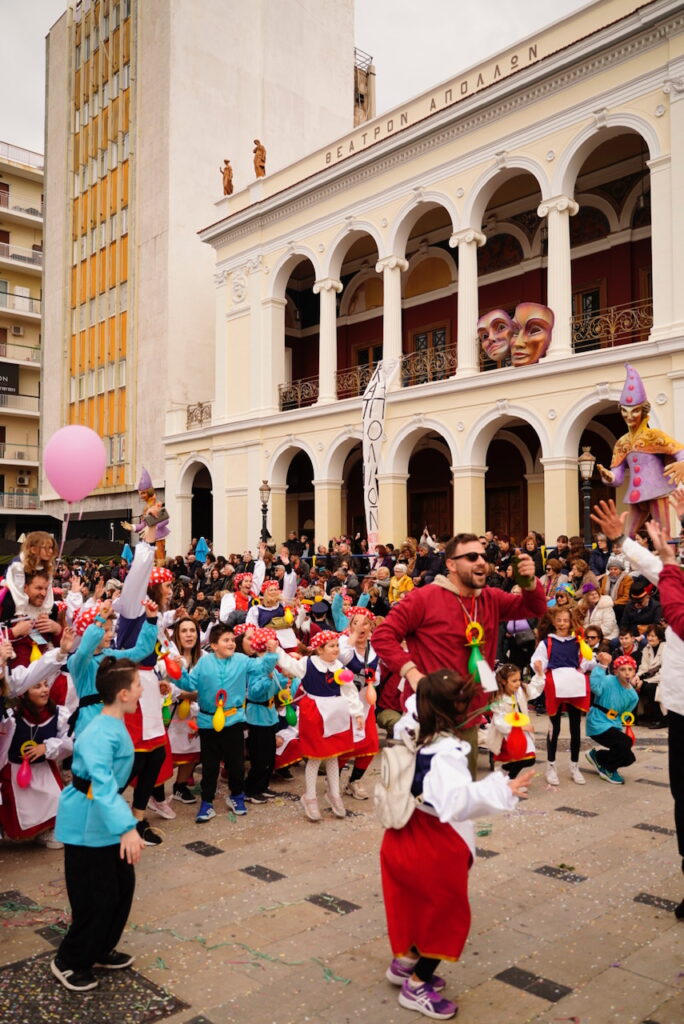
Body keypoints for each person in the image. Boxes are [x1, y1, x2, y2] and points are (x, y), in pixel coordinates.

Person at [380, 668, 533, 1020]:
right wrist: (501, 790)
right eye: (463, 702)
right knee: (446, 914)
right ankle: (417, 985)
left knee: (416, 903)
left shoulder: (410, 728)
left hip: (403, 832)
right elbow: (456, 801)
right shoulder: (444, 752)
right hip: (434, 842)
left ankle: (405, 963)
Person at [372, 534, 547, 779]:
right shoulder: (423, 597)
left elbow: (535, 608)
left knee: (462, 797)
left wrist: (530, 584)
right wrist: (412, 673)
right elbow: (382, 636)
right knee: (429, 800)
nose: (481, 562)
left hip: (470, 716)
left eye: (483, 557)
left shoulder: (491, 598)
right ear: (451, 564)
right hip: (430, 716)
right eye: (472, 557)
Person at [591, 496, 684, 919]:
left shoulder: (676, 586)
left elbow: (674, 600)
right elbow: (658, 569)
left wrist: (668, 562)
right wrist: (621, 540)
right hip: (681, 709)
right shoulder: (676, 576)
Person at [52, 657, 145, 992]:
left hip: (106, 815)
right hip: (86, 821)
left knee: (121, 889)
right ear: (122, 694)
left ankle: (101, 948)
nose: (142, 689)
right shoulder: (98, 733)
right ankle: (69, 959)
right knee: (95, 897)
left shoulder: (115, 723)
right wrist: (127, 827)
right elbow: (102, 784)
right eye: (137, 685)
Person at [178, 623, 278, 823]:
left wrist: (271, 653)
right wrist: (176, 672)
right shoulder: (204, 664)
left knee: (236, 763)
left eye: (232, 640)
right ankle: (207, 802)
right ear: (213, 645)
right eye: (226, 640)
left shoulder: (242, 660)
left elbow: (262, 667)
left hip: (234, 720)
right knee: (210, 766)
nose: (231, 643)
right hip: (208, 722)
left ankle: (237, 795)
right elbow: (189, 684)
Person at [276, 631, 364, 821]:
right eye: (331, 646)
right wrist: (275, 648)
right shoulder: (307, 664)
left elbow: (349, 690)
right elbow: (288, 663)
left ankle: (334, 794)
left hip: (336, 713)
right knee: (315, 757)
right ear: (319, 649)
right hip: (314, 713)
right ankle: (310, 796)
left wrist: (357, 712)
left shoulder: (339, 666)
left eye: (337, 645)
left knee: (333, 755)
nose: (336, 649)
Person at [531, 606, 594, 786]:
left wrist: (594, 665)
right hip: (555, 685)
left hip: (574, 685)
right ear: (553, 621)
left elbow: (587, 661)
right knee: (554, 727)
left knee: (576, 727)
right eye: (559, 620)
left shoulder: (577, 642)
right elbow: (540, 660)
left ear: (570, 621)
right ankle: (551, 766)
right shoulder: (547, 642)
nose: (562, 623)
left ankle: (575, 766)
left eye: (565, 620)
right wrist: (537, 666)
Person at [585, 652, 639, 784]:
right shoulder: (608, 680)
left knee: (629, 757)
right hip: (597, 721)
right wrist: (602, 666)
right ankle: (607, 769)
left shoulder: (633, 696)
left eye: (630, 669)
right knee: (624, 743)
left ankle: (598, 756)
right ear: (615, 671)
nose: (627, 673)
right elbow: (595, 688)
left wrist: (621, 727)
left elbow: (624, 715)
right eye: (622, 669)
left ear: (634, 672)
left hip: (613, 724)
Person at [487, 663, 542, 777]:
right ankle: (510, 781)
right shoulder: (499, 699)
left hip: (521, 732)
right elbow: (499, 721)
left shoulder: (520, 690)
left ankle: (505, 770)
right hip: (507, 734)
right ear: (503, 681)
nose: (518, 683)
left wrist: (540, 673)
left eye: (519, 679)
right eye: (514, 681)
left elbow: (534, 688)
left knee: (529, 759)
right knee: (523, 758)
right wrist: (520, 727)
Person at [4, 531, 57, 619]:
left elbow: (48, 588)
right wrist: (20, 612)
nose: (50, 551)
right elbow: (17, 589)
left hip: (31, 593)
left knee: (54, 609)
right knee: (9, 604)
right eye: (46, 548)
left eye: (51, 548)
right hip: (12, 591)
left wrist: (46, 611)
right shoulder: (18, 565)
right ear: (33, 549)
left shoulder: (47, 565)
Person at [636, 625, 666, 728]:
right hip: (650, 678)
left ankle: (661, 719)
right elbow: (643, 667)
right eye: (648, 635)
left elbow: (664, 671)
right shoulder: (647, 648)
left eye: (653, 636)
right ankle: (643, 715)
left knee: (649, 687)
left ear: (660, 637)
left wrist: (644, 681)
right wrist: (637, 677)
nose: (650, 638)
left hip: (664, 680)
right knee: (635, 684)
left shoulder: (666, 648)